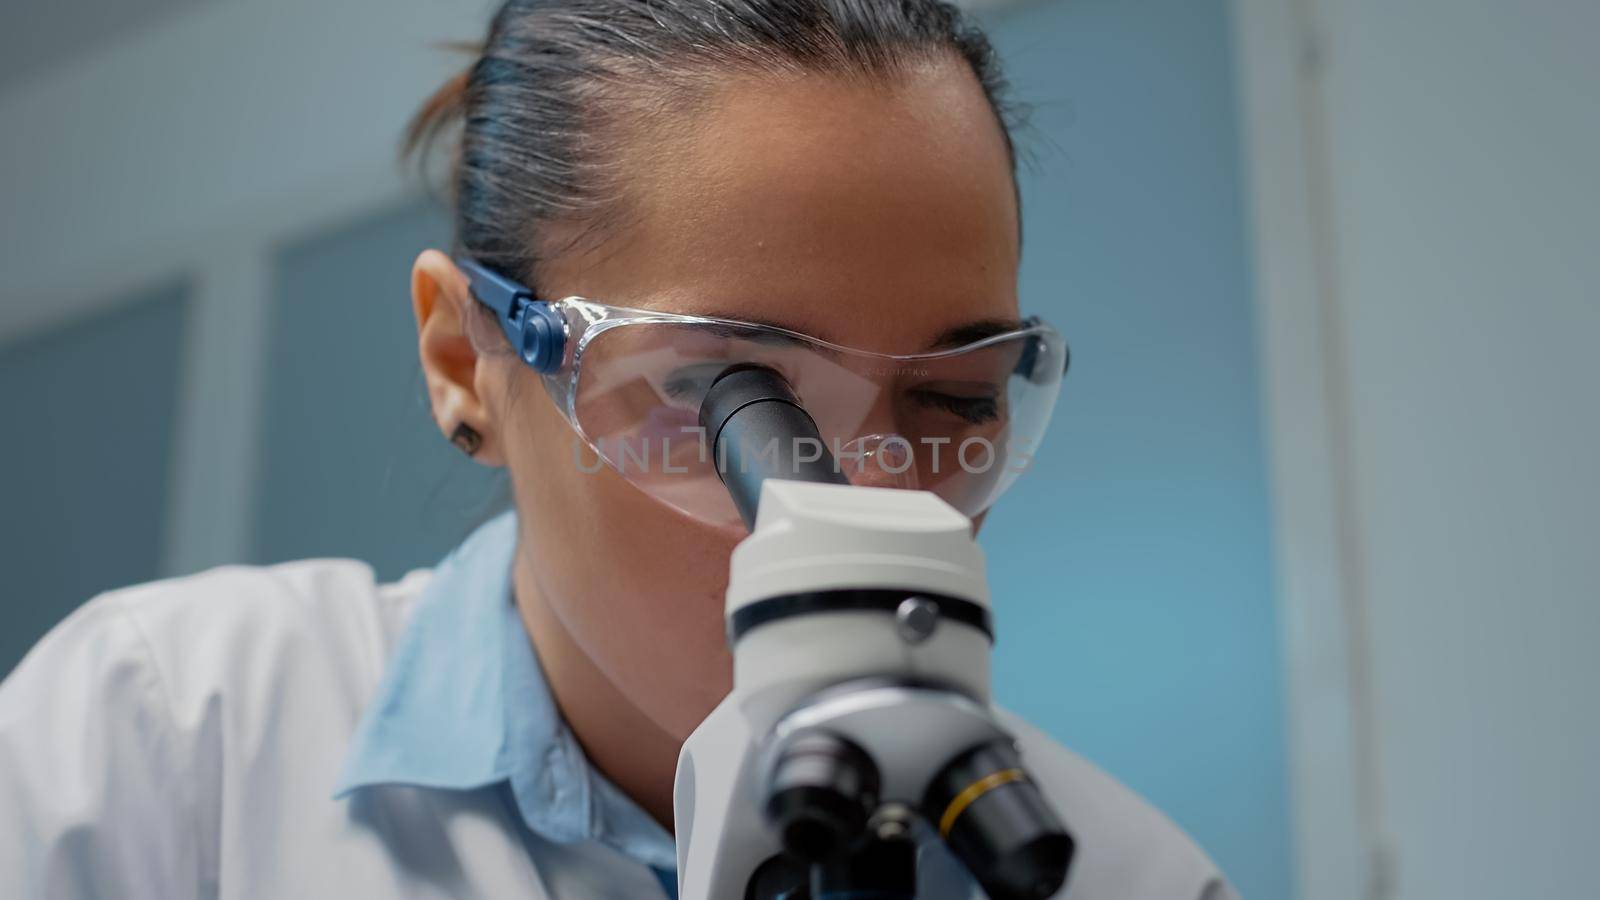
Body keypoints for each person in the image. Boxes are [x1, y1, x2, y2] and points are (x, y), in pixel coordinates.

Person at [0, 1, 1236, 897]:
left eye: (955, 405)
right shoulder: (161, 737)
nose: (859, 499)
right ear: (463, 360)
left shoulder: (1124, 876)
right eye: (725, 397)